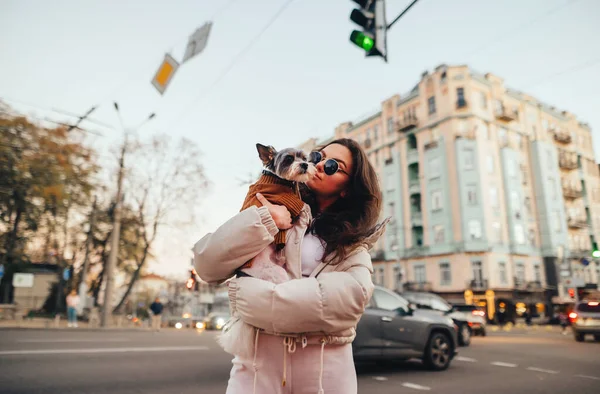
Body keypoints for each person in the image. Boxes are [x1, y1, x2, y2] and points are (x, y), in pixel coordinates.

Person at [194, 138, 384, 394]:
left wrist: (251, 297)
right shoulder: (271, 205)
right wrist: (265, 219)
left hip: (324, 377)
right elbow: (207, 265)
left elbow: (351, 299)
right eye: (317, 156)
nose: (317, 165)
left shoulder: (353, 242)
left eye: (332, 166)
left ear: (347, 189)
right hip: (256, 372)